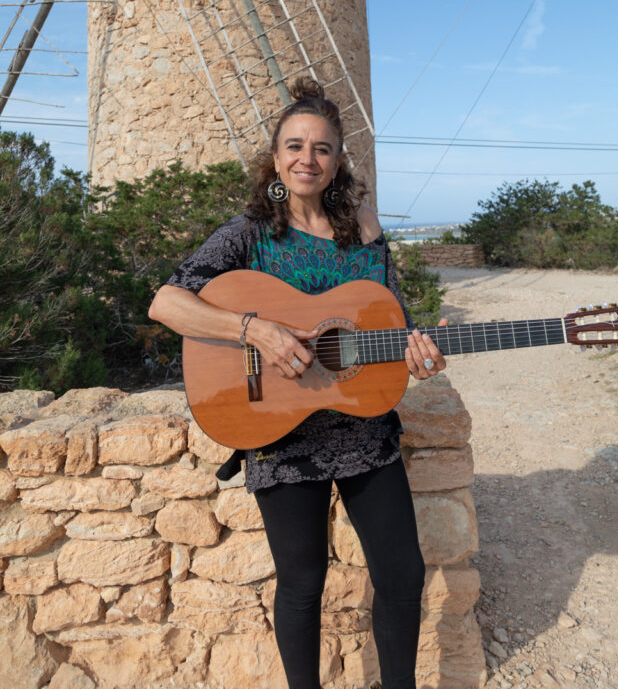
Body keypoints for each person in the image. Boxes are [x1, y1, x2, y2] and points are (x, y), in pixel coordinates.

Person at [148, 77, 447, 689]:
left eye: (322, 148)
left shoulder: (363, 228)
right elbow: (167, 303)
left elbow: (383, 318)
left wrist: (418, 349)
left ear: (338, 161)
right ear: (276, 158)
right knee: (303, 581)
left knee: (402, 575)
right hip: (281, 433)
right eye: (294, 146)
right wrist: (253, 329)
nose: (307, 159)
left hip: (366, 429)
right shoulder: (248, 234)